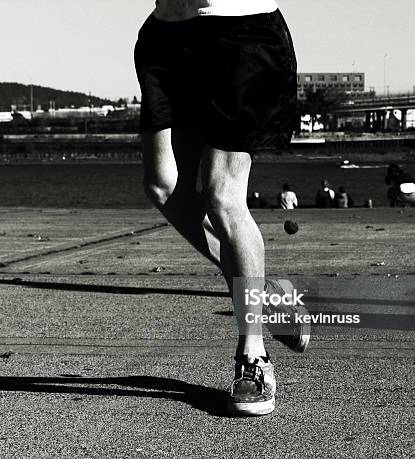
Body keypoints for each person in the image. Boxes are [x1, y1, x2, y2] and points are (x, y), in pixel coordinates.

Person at [135, 0, 309, 416]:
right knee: (162, 185)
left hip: (241, 29)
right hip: (167, 31)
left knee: (222, 193)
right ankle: (262, 292)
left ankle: (254, 356)